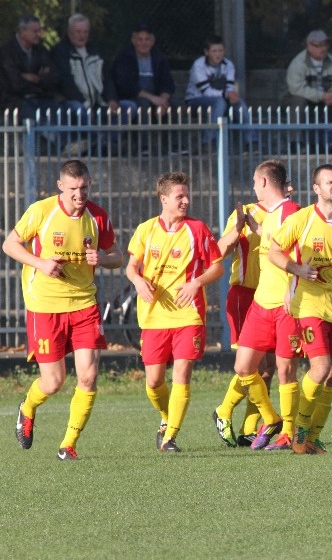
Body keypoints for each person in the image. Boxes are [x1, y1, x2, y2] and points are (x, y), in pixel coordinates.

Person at [3, 160, 123, 460]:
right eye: (73, 189)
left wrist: (102, 260)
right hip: (45, 305)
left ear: (90, 184)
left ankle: (68, 445)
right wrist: (41, 263)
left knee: (88, 377)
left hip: (84, 303)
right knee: (54, 381)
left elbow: (117, 255)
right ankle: (28, 407)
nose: (79, 195)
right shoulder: (42, 211)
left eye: (84, 188)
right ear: (60, 186)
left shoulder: (98, 216)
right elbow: (10, 245)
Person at [267, 163, 332, 454]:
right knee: (320, 368)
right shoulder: (302, 219)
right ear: (317, 189)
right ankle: (299, 432)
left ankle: (314, 437)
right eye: (329, 182)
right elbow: (274, 251)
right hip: (309, 304)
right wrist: (297, 268)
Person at [125, 171, 224, 452]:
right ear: (164, 199)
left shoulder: (198, 229)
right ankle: (167, 420)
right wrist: (138, 280)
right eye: (179, 196)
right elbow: (131, 267)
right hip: (154, 316)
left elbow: (217, 266)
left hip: (188, 315)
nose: (185, 201)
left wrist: (197, 283)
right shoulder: (146, 230)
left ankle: (170, 438)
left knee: (182, 373)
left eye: (186, 195)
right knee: (154, 382)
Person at [212, 160, 303, 451]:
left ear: (264, 182)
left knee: (284, 369)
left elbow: (300, 254)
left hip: (284, 304)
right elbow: (265, 241)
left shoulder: (292, 213)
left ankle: (287, 431)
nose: (252, 187)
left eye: (254, 181)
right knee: (244, 366)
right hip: (259, 303)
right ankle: (268, 417)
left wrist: (293, 288)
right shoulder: (268, 215)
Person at [214, 196, 277, 447]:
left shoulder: (288, 215)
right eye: (287, 183)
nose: (292, 188)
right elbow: (220, 251)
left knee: (268, 368)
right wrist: (239, 228)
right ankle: (224, 411)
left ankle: (248, 428)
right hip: (244, 295)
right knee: (249, 365)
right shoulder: (247, 212)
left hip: (271, 296)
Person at [51, 13, 122, 153]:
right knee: (78, 108)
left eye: (85, 32)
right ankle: (99, 141)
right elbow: (65, 83)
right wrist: (84, 103)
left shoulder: (95, 50)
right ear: (69, 32)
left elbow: (106, 78)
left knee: (128, 107)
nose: (82, 36)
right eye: (78, 32)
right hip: (74, 101)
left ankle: (110, 143)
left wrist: (112, 99)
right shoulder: (60, 52)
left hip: (99, 102)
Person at [281, 29, 332, 150]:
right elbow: (296, 88)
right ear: (309, 46)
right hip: (300, 98)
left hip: (327, 98)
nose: (323, 49)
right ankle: (297, 142)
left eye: (325, 45)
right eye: (318, 46)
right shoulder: (298, 63)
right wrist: (321, 96)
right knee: (298, 101)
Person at [185, 34, 257, 149]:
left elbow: (230, 86)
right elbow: (206, 91)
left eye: (220, 50)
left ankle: (251, 141)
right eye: (214, 51)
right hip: (196, 100)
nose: (218, 54)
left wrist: (232, 95)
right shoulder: (198, 65)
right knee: (219, 102)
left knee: (240, 103)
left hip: (222, 99)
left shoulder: (228, 65)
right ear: (206, 52)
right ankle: (208, 142)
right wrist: (226, 95)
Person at [0, 14, 65, 140]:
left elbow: (54, 77)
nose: (38, 34)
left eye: (39, 30)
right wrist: (40, 78)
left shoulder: (41, 50)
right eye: (35, 31)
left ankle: (65, 146)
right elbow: (15, 83)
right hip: (14, 100)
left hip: (40, 97)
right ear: (22, 31)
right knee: (31, 116)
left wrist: (35, 78)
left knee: (58, 111)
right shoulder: (7, 52)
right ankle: (56, 148)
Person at [112, 22, 175, 121]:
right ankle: (143, 137)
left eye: (147, 39)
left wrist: (163, 100)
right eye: (140, 39)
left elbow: (167, 83)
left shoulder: (159, 58)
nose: (144, 43)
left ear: (152, 41)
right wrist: (152, 98)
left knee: (171, 107)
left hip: (155, 99)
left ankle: (171, 137)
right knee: (143, 105)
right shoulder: (124, 57)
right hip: (132, 97)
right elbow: (126, 85)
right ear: (133, 40)